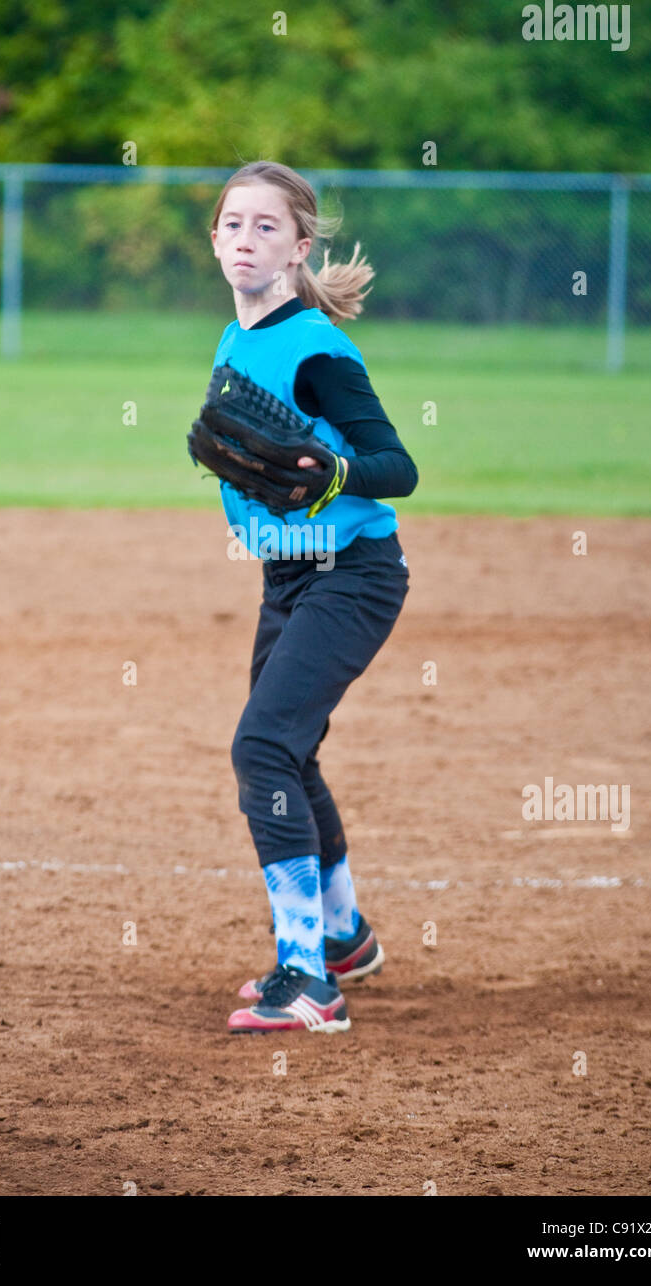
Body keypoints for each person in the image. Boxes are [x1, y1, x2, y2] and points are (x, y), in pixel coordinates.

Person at [207, 160, 418, 1034]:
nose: (243, 239)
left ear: (298, 249)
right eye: (230, 223)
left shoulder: (321, 351)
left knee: (260, 748)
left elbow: (396, 468)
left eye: (264, 226)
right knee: (288, 753)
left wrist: (332, 473)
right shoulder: (233, 339)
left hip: (353, 575)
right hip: (287, 575)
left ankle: (309, 981)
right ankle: (343, 939)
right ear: (213, 241)